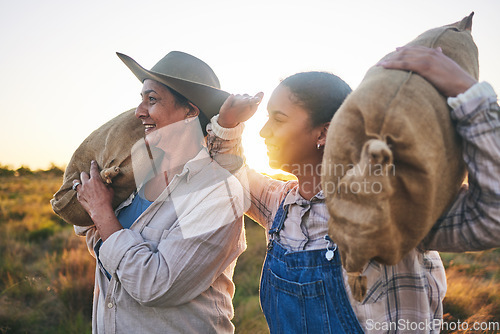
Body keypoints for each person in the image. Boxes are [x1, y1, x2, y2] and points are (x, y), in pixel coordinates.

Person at [207, 45, 500, 333]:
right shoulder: (280, 203)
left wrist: (470, 96)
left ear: (324, 132)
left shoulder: (387, 204)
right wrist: (228, 124)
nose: (263, 131)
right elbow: (231, 173)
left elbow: (490, 217)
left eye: (278, 119)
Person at [72, 51, 246, 333]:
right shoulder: (132, 175)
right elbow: (90, 230)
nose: (139, 111)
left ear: (190, 111)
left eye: (152, 100)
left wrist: (104, 216)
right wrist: (101, 220)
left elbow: (155, 285)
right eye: (141, 100)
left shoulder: (217, 193)